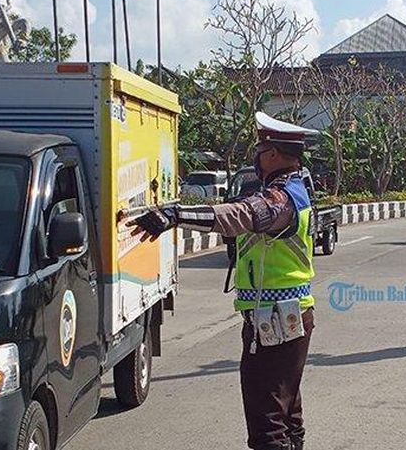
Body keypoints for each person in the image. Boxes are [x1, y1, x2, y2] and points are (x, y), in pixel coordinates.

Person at [128, 112, 317, 450]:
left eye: (259, 149)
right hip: (285, 315)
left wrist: (175, 214)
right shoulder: (295, 187)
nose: (256, 156)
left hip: (274, 318)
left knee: (267, 423)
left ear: (272, 152)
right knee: (287, 411)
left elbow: (241, 215)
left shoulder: (282, 197)